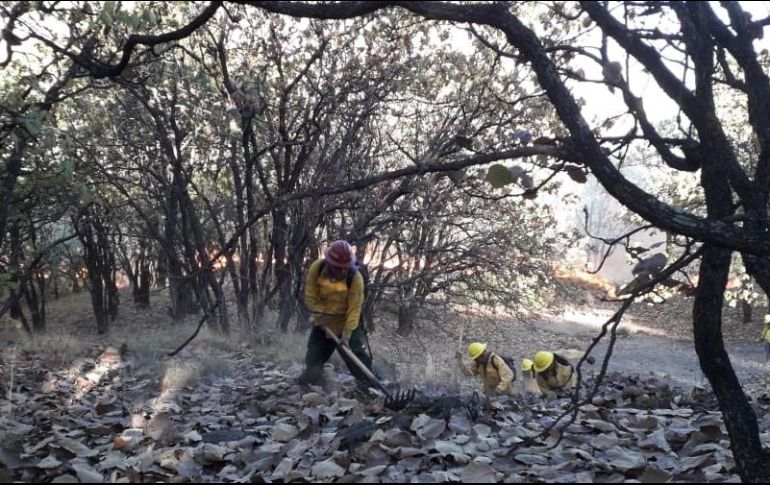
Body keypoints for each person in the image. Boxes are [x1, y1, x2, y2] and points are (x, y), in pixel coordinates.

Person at [298, 240, 374, 387]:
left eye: (344, 268)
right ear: (329, 263)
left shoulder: (355, 278)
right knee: (313, 359)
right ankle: (313, 384)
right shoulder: (317, 268)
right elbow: (311, 296)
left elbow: (354, 309)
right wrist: (320, 315)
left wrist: (346, 335)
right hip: (323, 322)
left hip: (347, 323)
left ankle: (370, 387)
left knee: (358, 359)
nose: (341, 271)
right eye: (338, 268)